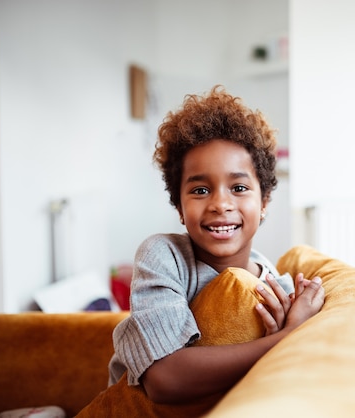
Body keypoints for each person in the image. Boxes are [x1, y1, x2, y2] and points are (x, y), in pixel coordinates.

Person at [108, 85, 325, 404]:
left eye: (238, 187)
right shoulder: (162, 256)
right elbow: (164, 380)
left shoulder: (275, 287)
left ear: (264, 201)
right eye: (199, 191)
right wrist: (284, 338)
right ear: (179, 207)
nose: (220, 204)